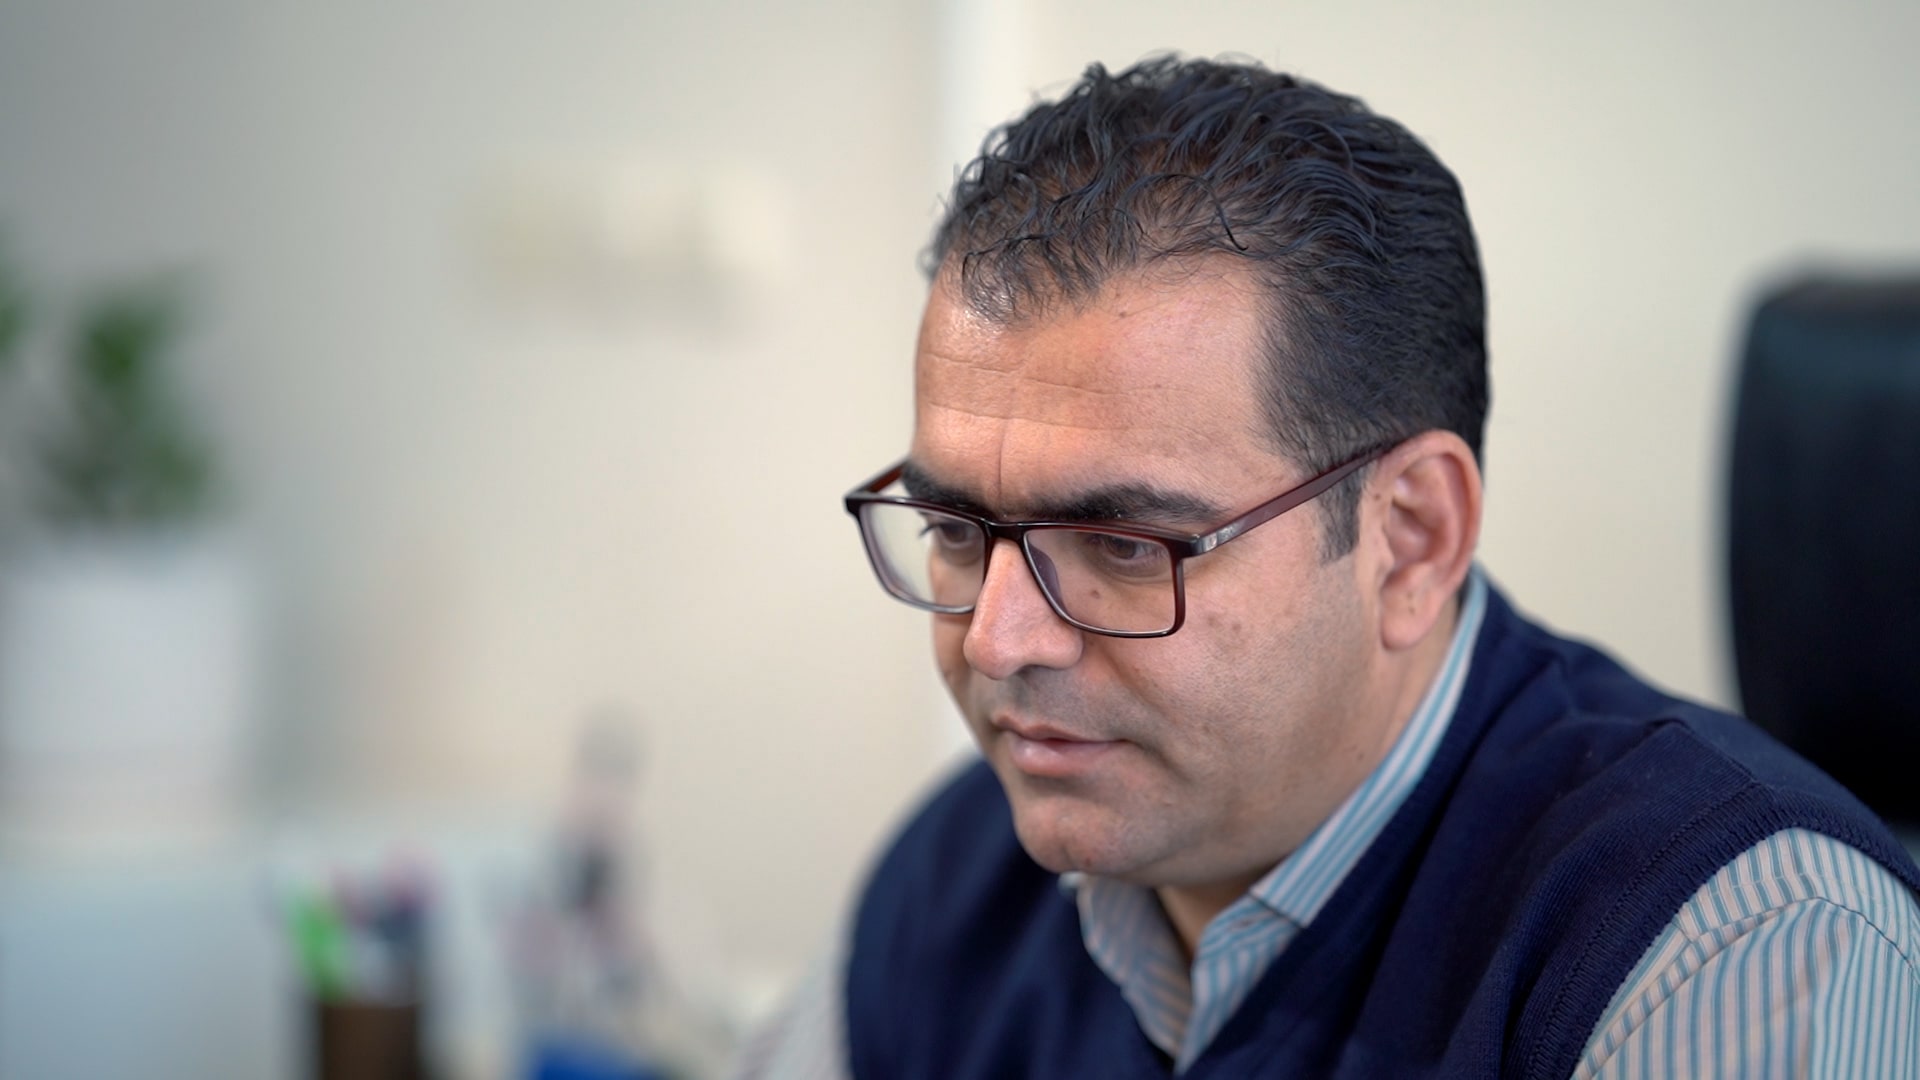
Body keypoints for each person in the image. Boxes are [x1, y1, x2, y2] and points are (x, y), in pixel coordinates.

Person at [742, 56, 1920, 1078]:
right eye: (956, 530)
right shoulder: (959, 879)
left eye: (1123, 547)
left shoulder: (1731, 945)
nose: (998, 642)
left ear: (1411, 540)